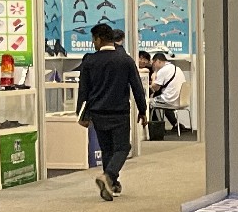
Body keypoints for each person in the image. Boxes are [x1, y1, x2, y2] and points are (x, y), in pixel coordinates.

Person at [76, 22, 147, 200]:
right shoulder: (125, 60)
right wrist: (143, 110)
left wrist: (81, 114)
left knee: (107, 149)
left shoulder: (89, 61)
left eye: (94, 40)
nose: (93, 43)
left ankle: (112, 184)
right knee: (123, 147)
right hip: (119, 112)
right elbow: (137, 87)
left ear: (99, 39)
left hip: (98, 113)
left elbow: (83, 90)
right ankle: (108, 176)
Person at [148, 52, 186, 133]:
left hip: (169, 100)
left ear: (158, 61)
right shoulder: (177, 68)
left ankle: (155, 128)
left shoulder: (162, 71)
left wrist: (154, 77)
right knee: (161, 101)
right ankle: (175, 124)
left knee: (148, 102)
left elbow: (155, 88)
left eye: (154, 63)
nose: (153, 66)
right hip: (180, 100)